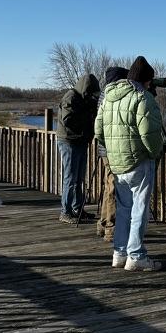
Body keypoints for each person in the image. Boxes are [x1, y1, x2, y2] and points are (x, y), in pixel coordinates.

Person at [94, 55, 164, 271]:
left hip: (117, 162)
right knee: (139, 209)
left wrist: (114, 152)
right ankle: (136, 255)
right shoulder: (142, 98)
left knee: (124, 208)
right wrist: (154, 153)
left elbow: (98, 131)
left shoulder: (108, 97)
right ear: (145, 80)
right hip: (139, 161)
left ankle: (119, 253)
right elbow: (149, 134)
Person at [56, 73, 101, 224]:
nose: (92, 96)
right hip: (69, 141)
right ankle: (65, 211)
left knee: (79, 178)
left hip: (80, 141)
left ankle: (77, 209)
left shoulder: (85, 100)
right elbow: (68, 120)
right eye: (90, 92)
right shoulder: (71, 97)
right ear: (85, 89)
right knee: (70, 178)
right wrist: (87, 116)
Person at [95, 66, 128, 240]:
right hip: (112, 148)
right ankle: (111, 227)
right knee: (113, 188)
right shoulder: (112, 96)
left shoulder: (103, 95)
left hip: (105, 148)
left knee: (109, 186)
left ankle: (103, 223)